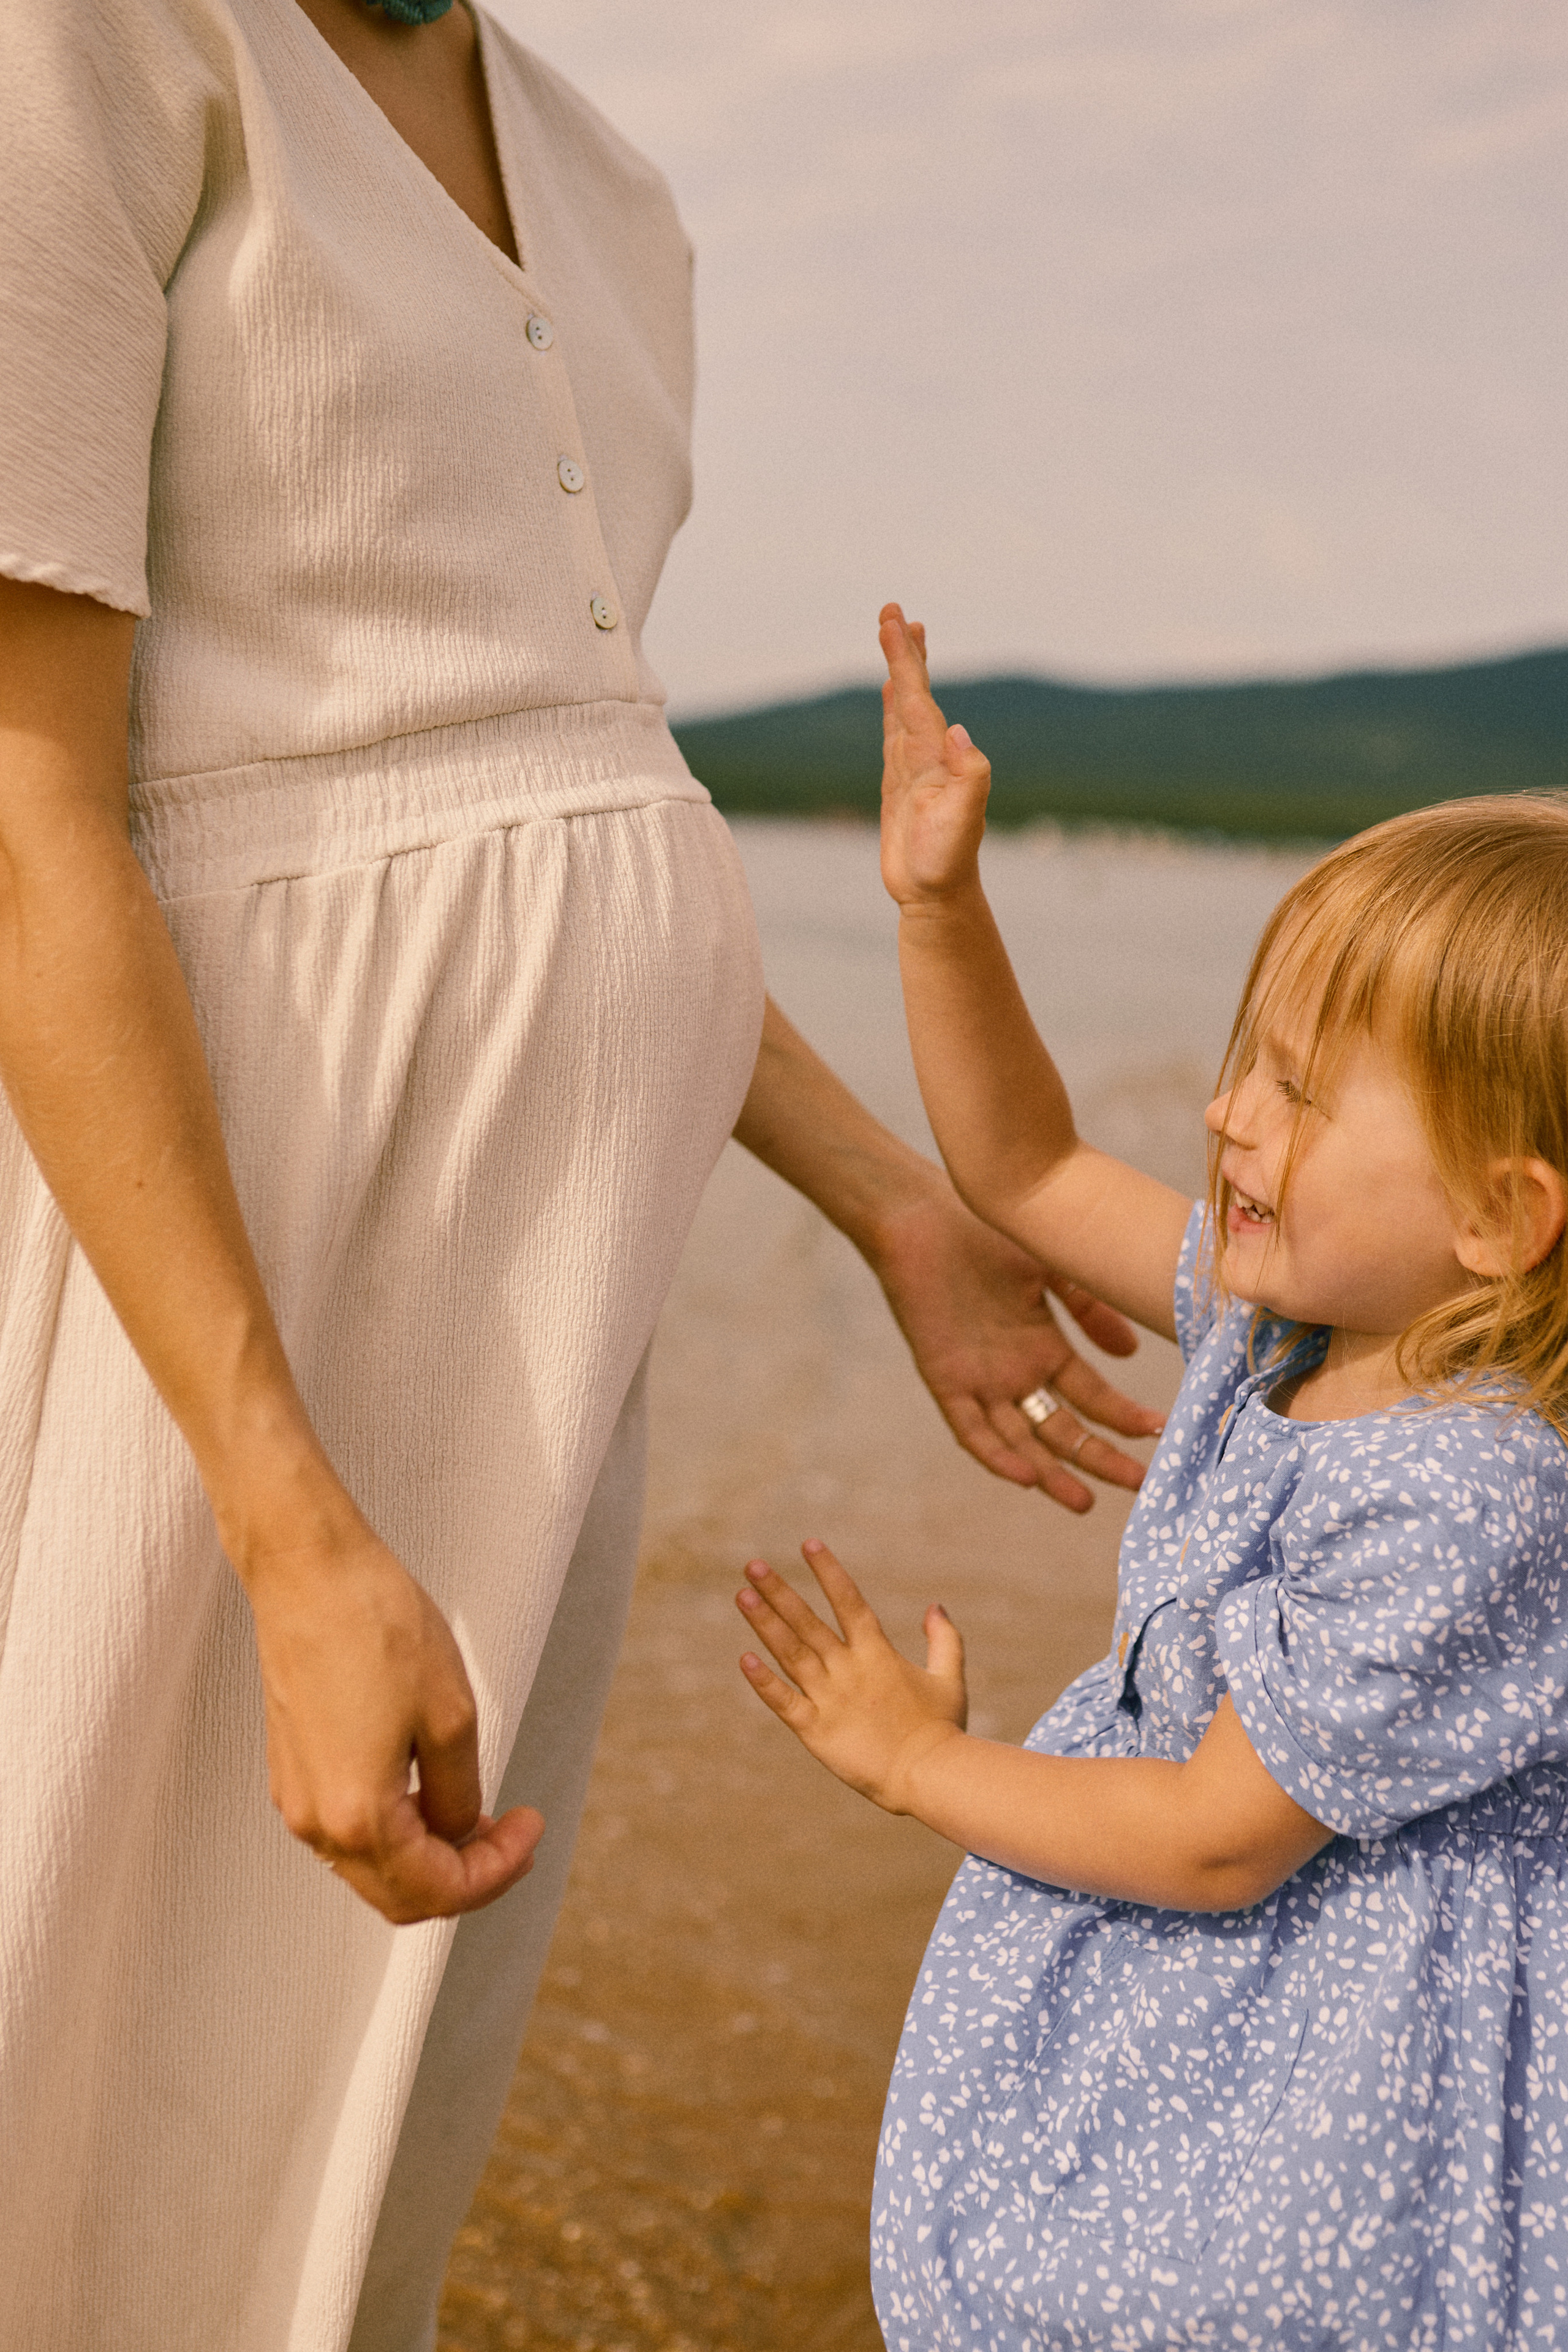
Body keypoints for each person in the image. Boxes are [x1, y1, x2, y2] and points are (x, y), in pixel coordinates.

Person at [0, 10, 1159, 2349]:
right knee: (94, 2054)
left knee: (382, 2091)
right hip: (226, 1257)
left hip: (536, 1306)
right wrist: (285, 1513)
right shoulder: (90, 42)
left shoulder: (622, 198)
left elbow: (569, 785)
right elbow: (31, 831)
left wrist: (900, 1209)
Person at [737, 605, 1568, 2350]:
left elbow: (1208, 1844)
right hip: (1210, 2039)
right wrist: (941, 909)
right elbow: (1024, 1167)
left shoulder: (1469, 1494)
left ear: (1501, 1216)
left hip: (1321, 2106)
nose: (1230, 1120)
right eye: (1246, 1062)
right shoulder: (1291, 1325)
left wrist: (915, 1764)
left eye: (1307, 1095)